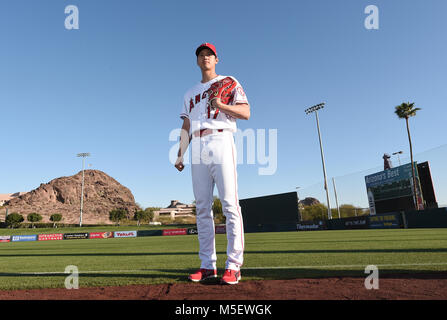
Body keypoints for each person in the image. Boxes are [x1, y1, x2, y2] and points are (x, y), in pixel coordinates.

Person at [175, 43, 250, 285]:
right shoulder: (189, 93)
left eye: (209, 54)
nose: (205, 57)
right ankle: (208, 266)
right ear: (197, 61)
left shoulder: (229, 81)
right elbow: (186, 126)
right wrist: (179, 154)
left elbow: (246, 112)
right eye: (201, 54)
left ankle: (234, 266)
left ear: (216, 59)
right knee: (202, 208)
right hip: (197, 145)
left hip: (221, 138)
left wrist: (222, 106)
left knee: (229, 204)